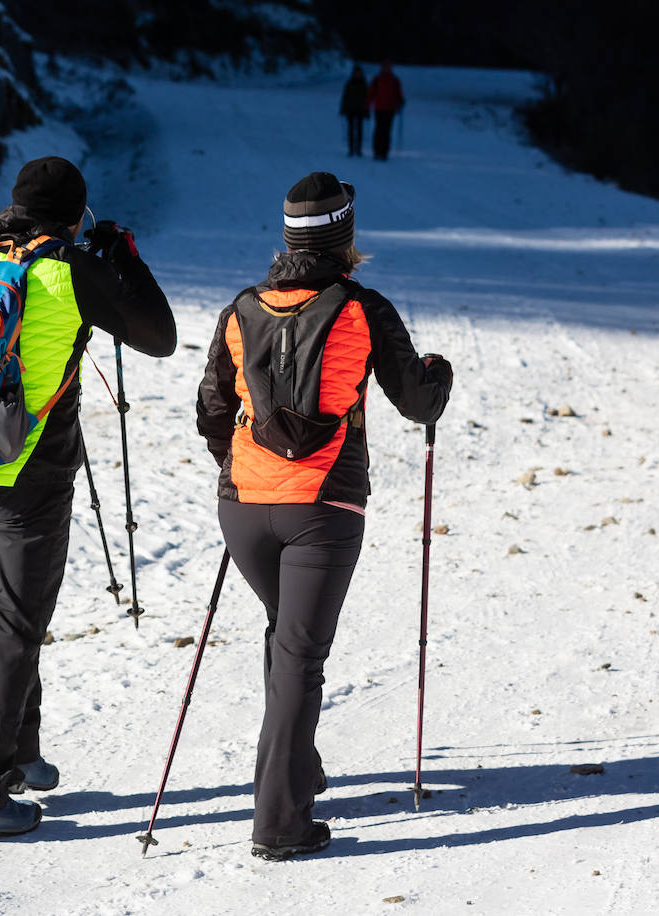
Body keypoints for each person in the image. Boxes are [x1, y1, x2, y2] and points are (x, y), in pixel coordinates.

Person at [195, 172, 452, 860]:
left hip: (244, 509)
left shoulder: (240, 309)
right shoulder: (362, 309)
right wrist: (440, 371)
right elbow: (419, 401)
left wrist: (251, 463)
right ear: (345, 237)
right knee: (300, 656)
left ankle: (297, 770)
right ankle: (280, 823)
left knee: (287, 640)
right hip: (323, 509)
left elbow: (212, 414)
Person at [0, 156, 177, 844]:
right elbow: (160, 337)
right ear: (77, 215)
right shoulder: (67, 268)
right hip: (29, 477)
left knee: (18, 612)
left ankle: (18, 755)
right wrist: (122, 258)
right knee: (17, 624)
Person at [368, 61, 405, 161]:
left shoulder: (395, 80)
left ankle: (384, 152)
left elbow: (399, 92)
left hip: (390, 109)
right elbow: (371, 92)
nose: (386, 69)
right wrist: (367, 103)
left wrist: (401, 100)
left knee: (387, 131)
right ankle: (377, 151)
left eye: (388, 67)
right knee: (379, 130)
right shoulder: (377, 79)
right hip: (379, 108)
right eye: (385, 67)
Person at [339, 64, 369, 157]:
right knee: (351, 130)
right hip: (350, 109)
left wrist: (366, 110)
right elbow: (345, 97)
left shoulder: (364, 84)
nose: (357, 75)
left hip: (360, 110)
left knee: (359, 130)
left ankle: (358, 149)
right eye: (356, 73)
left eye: (359, 73)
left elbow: (367, 98)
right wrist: (343, 109)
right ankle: (351, 149)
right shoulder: (349, 83)